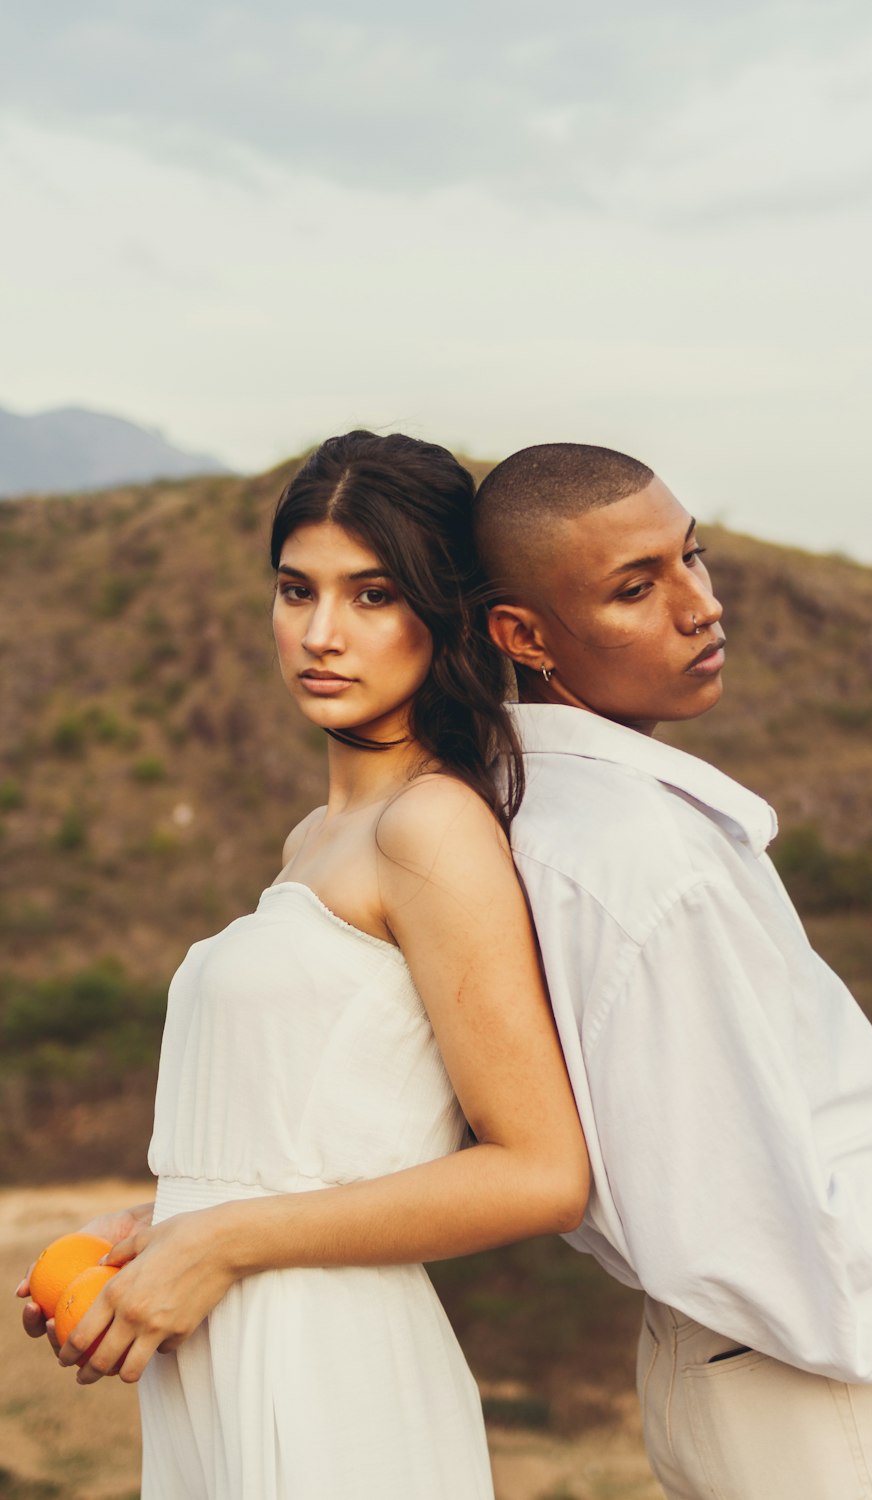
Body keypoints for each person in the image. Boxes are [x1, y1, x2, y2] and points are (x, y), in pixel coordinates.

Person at [17, 431, 590, 1500]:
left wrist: (220, 1242)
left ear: (446, 612)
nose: (321, 635)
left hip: (327, 1366)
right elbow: (317, 1136)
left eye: (373, 596)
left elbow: (541, 1171)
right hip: (218, 1352)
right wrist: (158, 1230)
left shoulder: (433, 828)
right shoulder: (312, 840)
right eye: (296, 590)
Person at [473, 441, 872, 1500]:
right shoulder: (651, 867)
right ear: (522, 634)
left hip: (728, 1369)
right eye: (636, 588)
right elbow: (800, 1268)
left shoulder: (525, 811)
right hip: (827, 1401)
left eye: (692, 558)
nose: (700, 606)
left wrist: (866, 1179)